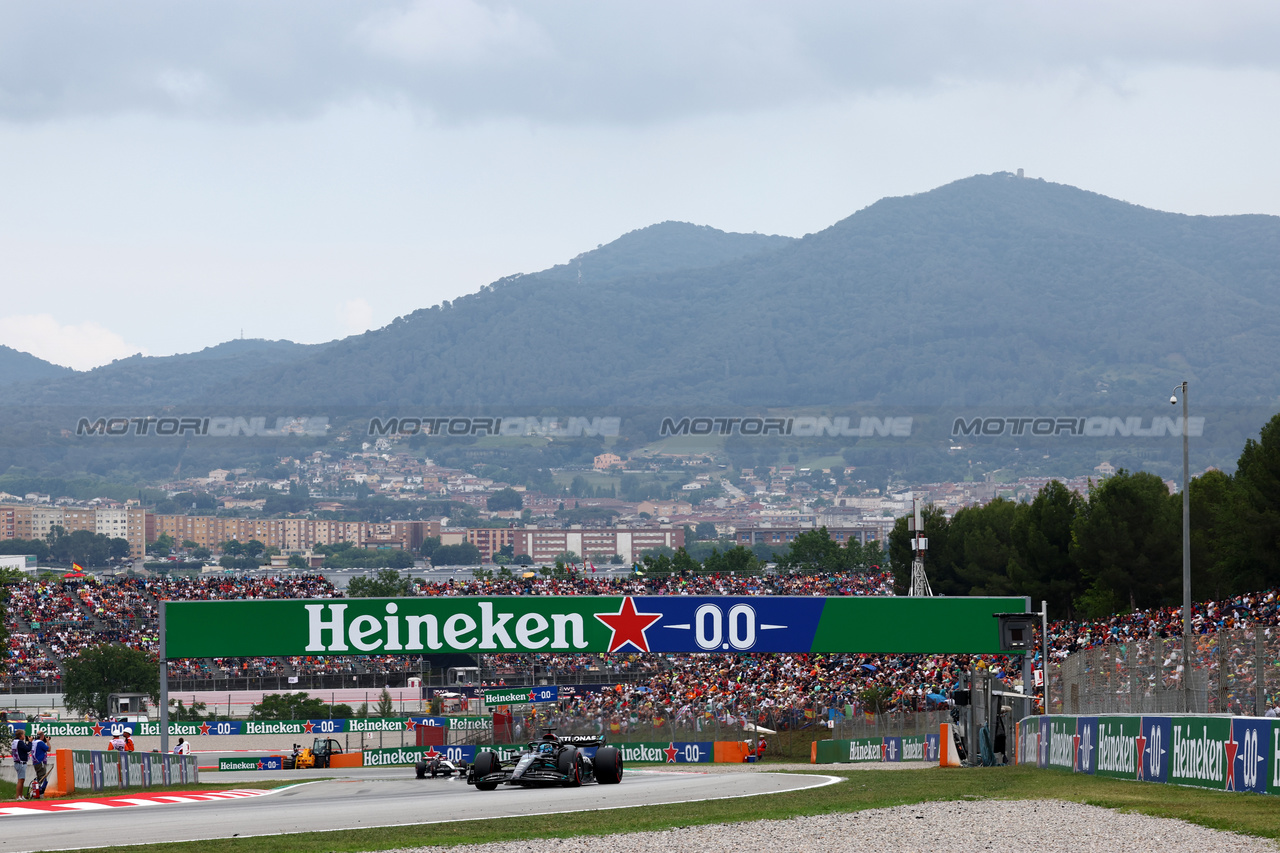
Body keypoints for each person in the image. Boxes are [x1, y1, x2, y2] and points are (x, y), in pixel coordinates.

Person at [11, 730, 31, 800]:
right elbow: (28, 749)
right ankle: (18, 796)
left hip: (17, 762)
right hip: (21, 763)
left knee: (22, 780)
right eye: (23, 735)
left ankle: (20, 796)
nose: (24, 736)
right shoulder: (20, 742)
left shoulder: (14, 742)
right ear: (21, 735)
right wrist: (30, 742)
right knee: (21, 780)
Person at [30, 733, 49, 799]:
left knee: (39, 778)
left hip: (35, 762)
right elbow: (48, 749)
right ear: (42, 736)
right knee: (42, 778)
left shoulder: (34, 742)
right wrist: (48, 741)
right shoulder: (40, 742)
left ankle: (37, 793)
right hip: (41, 762)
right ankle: (41, 794)